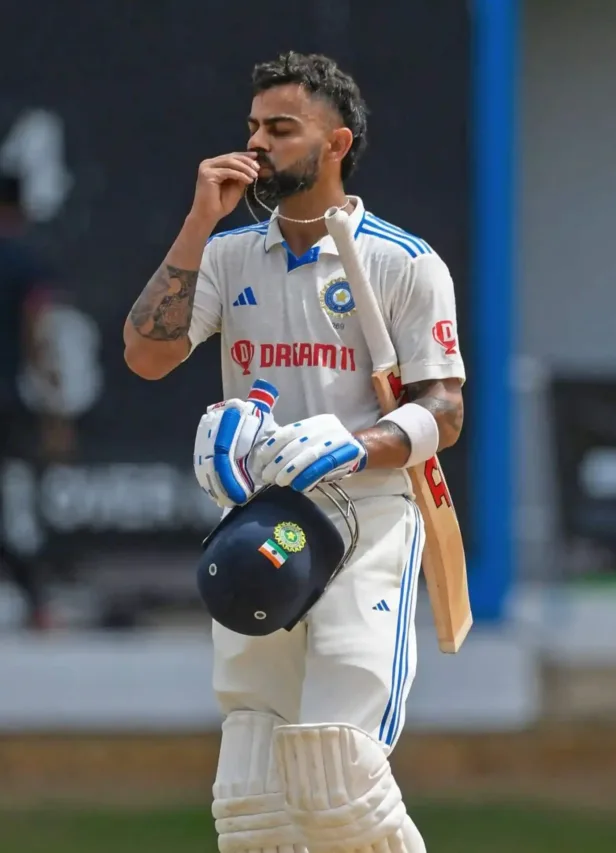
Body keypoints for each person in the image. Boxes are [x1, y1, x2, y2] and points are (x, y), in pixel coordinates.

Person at [124, 51, 465, 853]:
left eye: (281, 128)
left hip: (366, 521)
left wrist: (353, 445)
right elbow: (146, 354)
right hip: (261, 523)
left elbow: (444, 410)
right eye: (252, 127)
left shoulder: (402, 260)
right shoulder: (228, 253)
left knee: (335, 777)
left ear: (336, 143)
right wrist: (199, 222)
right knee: (254, 807)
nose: (256, 144)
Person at [0, 171, 67, 630]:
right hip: (6, 398)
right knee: (16, 503)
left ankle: (34, 598)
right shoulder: (24, 261)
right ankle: (36, 600)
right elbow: (37, 332)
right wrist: (54, 402)